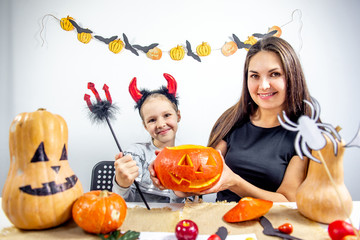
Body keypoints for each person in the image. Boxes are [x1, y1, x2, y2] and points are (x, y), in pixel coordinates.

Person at [150, 37, 311, 202]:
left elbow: (287, 202)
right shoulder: (232, 121)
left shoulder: (303, 136)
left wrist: (234, 182)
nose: (263, 85)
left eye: (274, 74)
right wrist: (169, 178)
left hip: (272, 226)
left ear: (292, 76)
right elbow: (200, 181)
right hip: (222, 223)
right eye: (254, 76)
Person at [112, 73, 185, 203]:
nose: (161, 124)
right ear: (145, 126)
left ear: (178, 116)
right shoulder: (135, 154)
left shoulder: (187, 158)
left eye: (167, 115)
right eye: (152, 120)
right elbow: (122, 203)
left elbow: (185, 205)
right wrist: (121, 184)